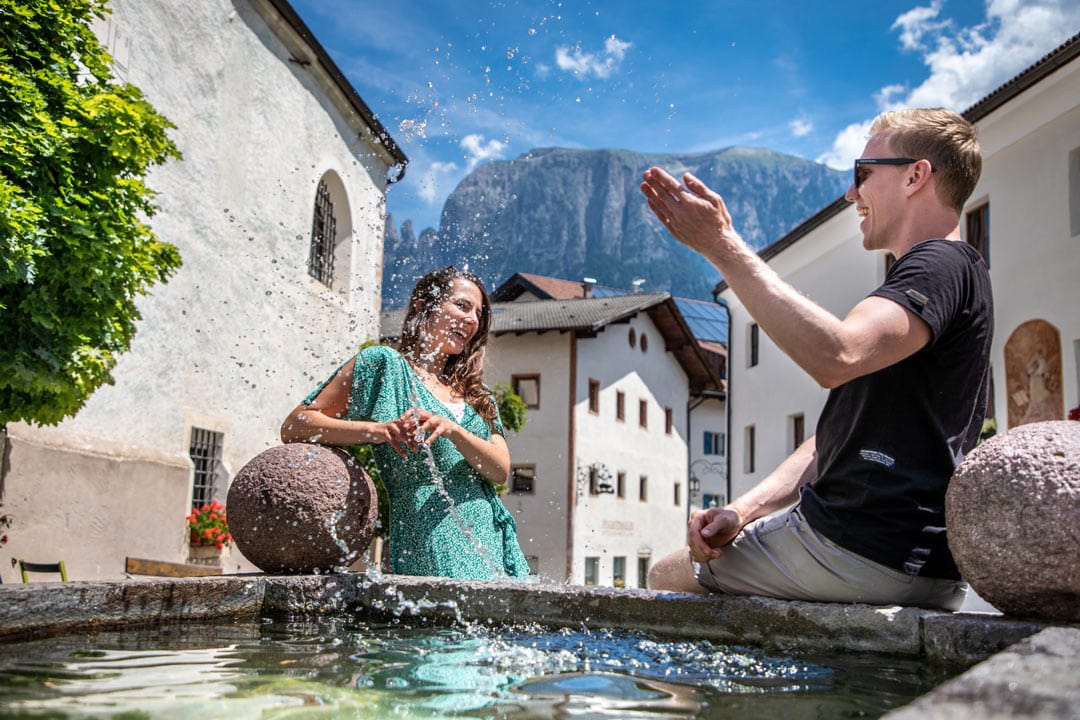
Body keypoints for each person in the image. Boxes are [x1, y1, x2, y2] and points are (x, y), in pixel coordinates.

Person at [640, 108, 992, 610]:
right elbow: (836, 439)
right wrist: (744, 509)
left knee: (666, 575)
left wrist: (721, 245)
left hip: (857, 547)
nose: (851, 194)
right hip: (921, 563)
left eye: (863, 174)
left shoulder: (937, 263)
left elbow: (837, 354)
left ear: (916, 176)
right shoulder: (936, 280)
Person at [281, 266, 530, 580]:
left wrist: (453, 431)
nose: (472, 320)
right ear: (425, 303)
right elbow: (296, 425)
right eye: (462, 306)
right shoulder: (383, 365)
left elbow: (500, 470)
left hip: (493, 536)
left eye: (478, 314)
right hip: (429, 536)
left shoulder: (478, 396)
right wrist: (377, 431)